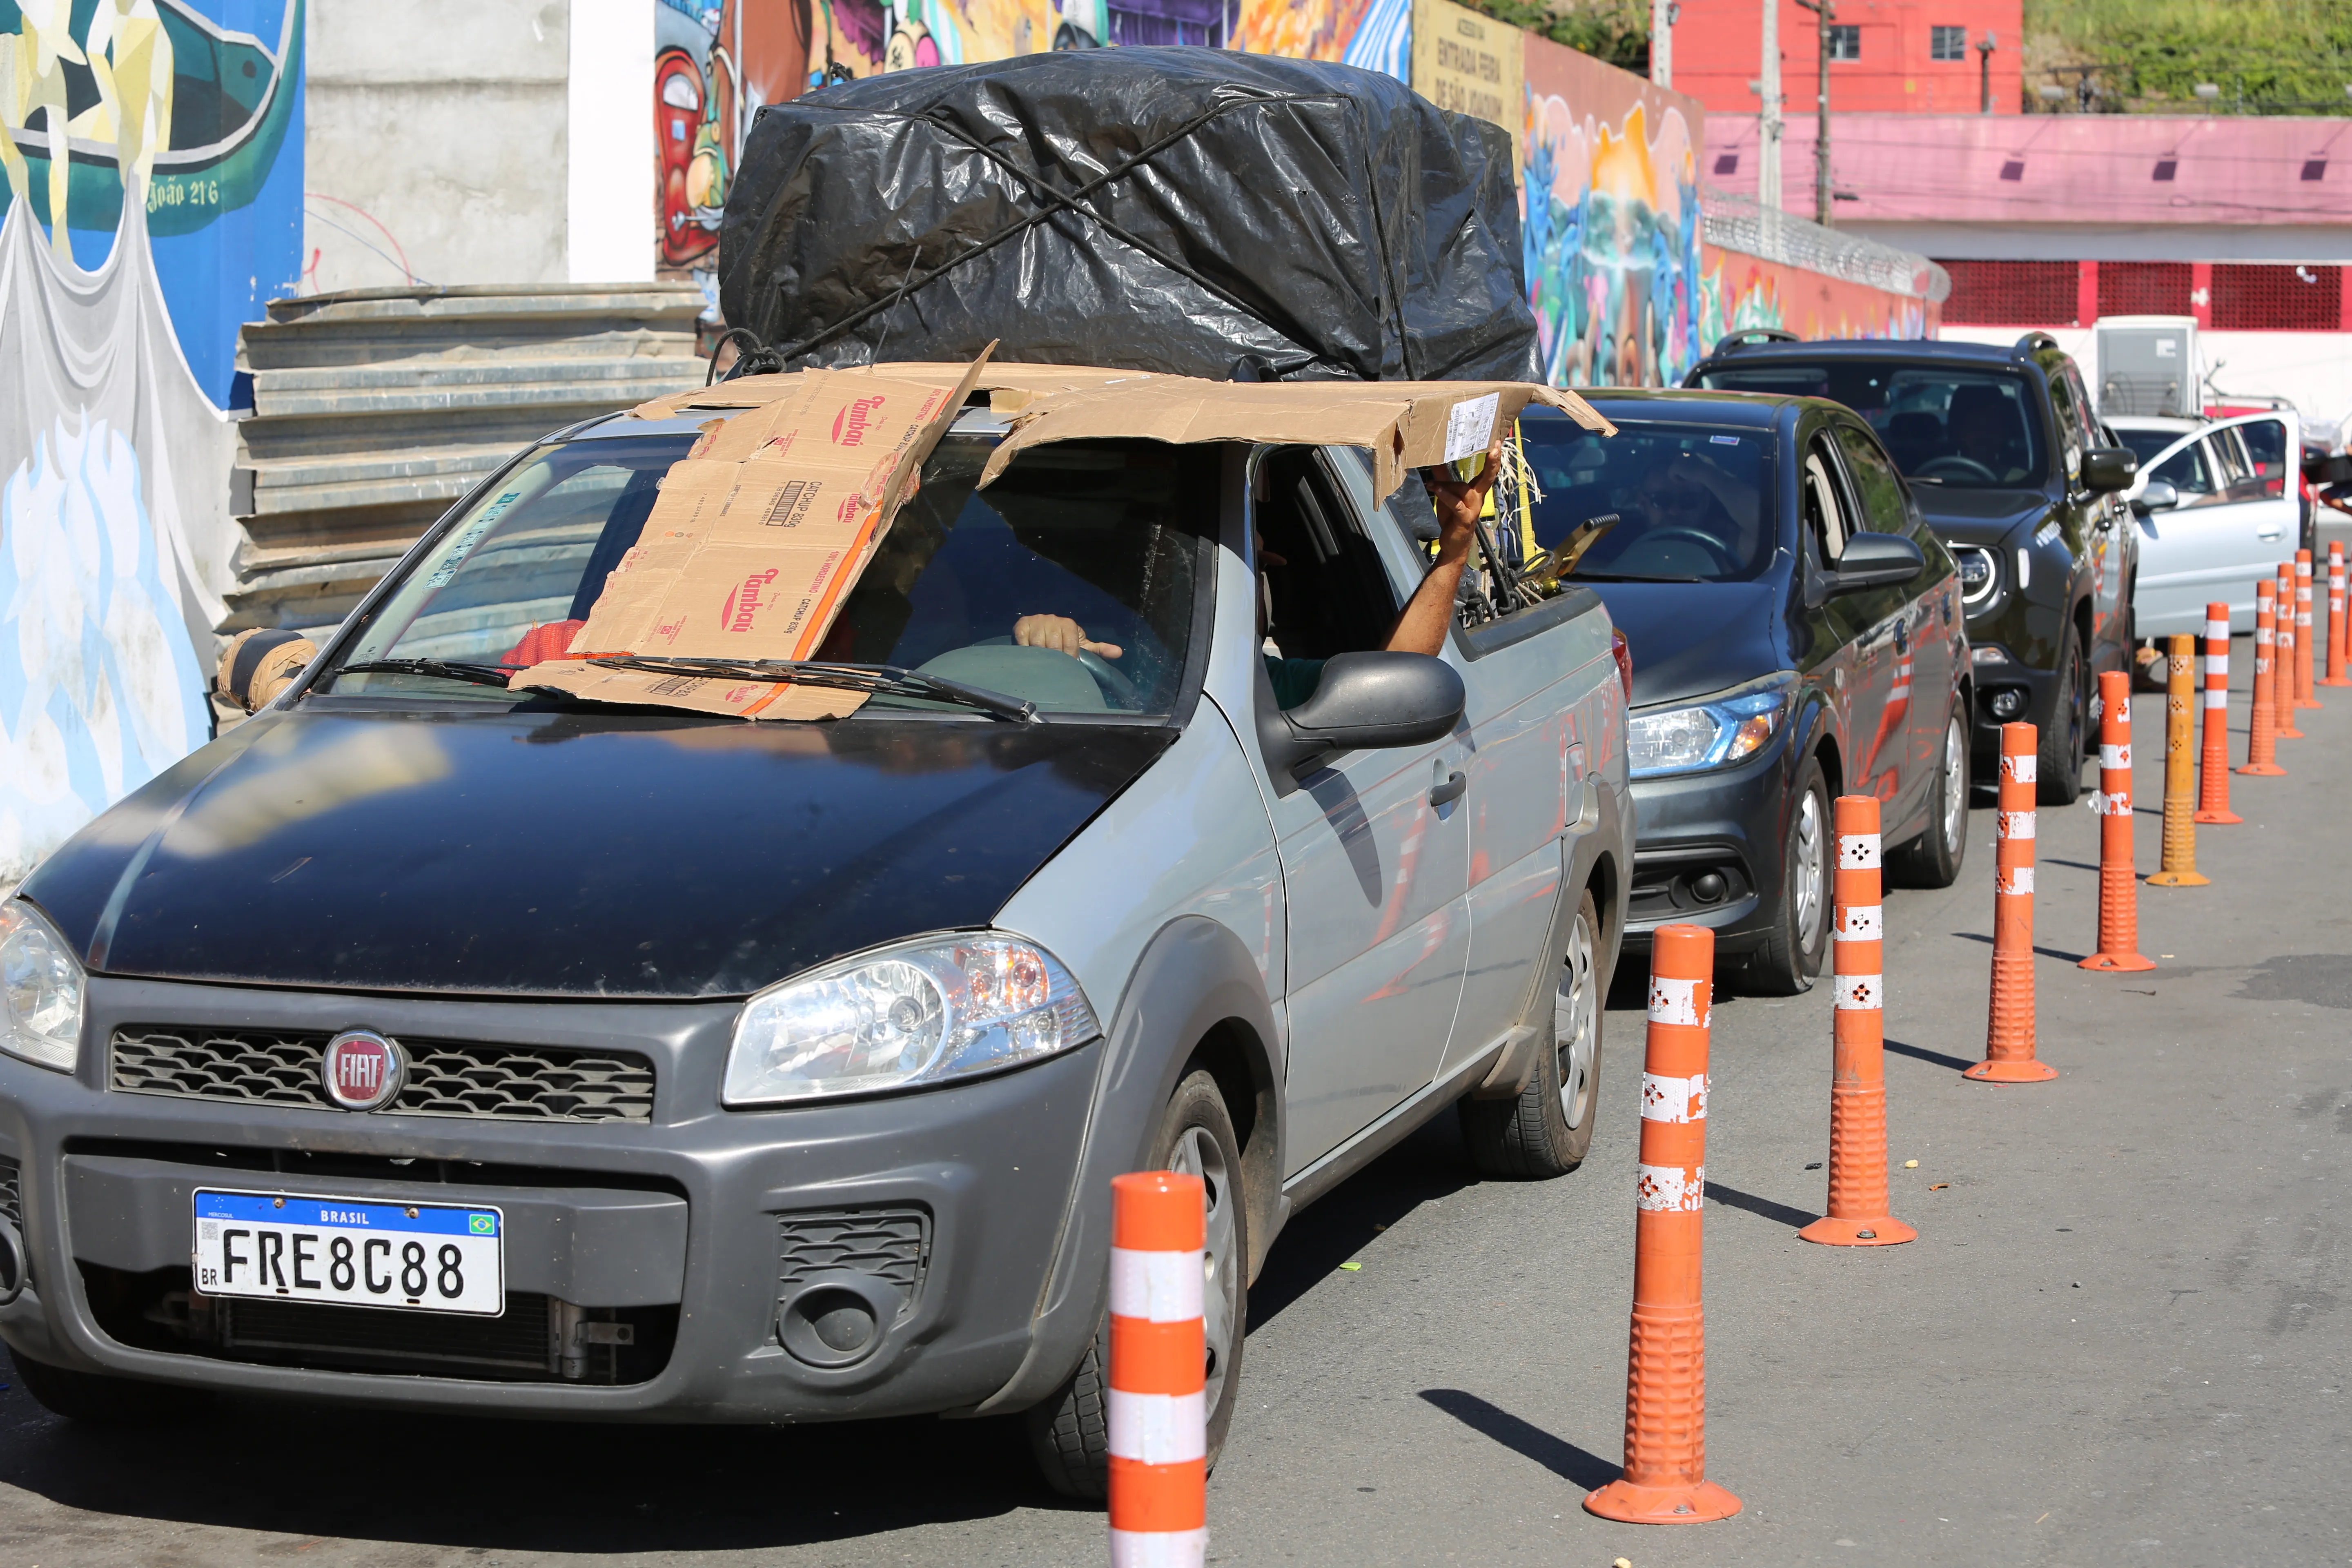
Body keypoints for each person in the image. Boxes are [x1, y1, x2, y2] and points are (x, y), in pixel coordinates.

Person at [1013, 439, 1505, 709]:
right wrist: (1038, 641)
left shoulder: (1255, 685)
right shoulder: (1098, 653)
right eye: (1170, 559)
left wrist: (1455, 550)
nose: (1180, 577)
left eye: (1252, 566)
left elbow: (1398, 675)